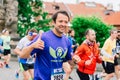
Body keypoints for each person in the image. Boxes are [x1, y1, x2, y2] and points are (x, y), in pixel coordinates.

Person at [14, 10, 76, 80]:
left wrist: (74, 61)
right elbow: (23, 55)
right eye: (60, 21)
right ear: (53, 22)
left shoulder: (67, 41)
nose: (63, 24)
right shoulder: (43, 37)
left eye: (66, 22)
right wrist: (32, 46)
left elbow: (70, 62)